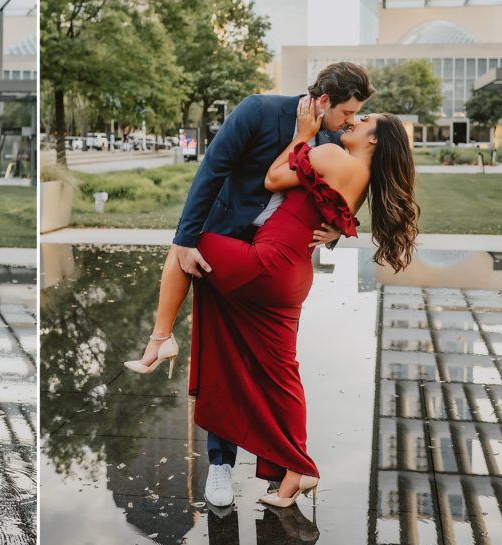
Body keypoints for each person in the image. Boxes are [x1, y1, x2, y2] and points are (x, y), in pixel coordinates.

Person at [132, 99, 420, 509]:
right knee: (282, 374)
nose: (354, 120)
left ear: (373, 138)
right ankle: (296, 472)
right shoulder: (364, 177)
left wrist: (301, 137)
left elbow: (272, 179)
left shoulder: (329, 152)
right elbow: (330, 217)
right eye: (353, 112)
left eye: (364, 119)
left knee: (185, 245)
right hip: (292, 276)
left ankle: (162, 338)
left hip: (265, 265)